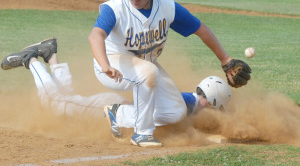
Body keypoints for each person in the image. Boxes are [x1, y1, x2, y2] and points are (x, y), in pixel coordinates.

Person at [88, 0, 251, 147]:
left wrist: (225, 60)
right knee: (148, 72)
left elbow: (201, 30)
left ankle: (119, 114)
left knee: (176, 111)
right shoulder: (116, 7)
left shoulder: (166, 7)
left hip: (144, 66)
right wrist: (105, 65)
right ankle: (142, 134)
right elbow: (96, 36)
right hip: (112, 63)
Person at [1, 38, 232, 128]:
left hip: (114, 104)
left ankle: (51, 55)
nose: (215, 113)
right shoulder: (184, 102)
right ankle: (31, 60)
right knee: (55, 103)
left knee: (67, 99)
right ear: (209, 100)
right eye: (216, 108)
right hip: (110, 107)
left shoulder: (189, 104)